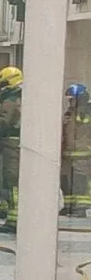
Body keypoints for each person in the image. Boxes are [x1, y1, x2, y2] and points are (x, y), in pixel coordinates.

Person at [0, 65, 22, 232]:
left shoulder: (10, 102)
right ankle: (7, 211)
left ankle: (13, 221)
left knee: (11, 182)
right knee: (9, 180)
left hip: (11, 147)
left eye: (1, 85)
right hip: (14, 146)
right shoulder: (20, 99)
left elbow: (2, 124)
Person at [62, 83, 91, 217]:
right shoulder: (70, 112)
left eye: (72, 99)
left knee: (80, 182)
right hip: (68, 155)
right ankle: (69, 206)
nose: (70, 102)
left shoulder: (86, 112)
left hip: (82, 156)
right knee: (66, 181)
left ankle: (80, 208)